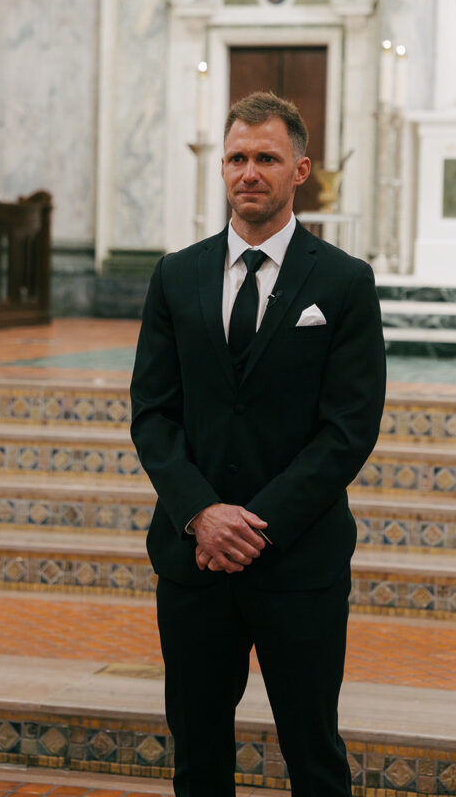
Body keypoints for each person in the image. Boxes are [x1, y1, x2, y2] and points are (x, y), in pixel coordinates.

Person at [130, 91, 386, 797]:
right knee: (198, 756)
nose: (250, 172)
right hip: (194, 558)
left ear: (299, 170)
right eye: (237, 157)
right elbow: (152, 413)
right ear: (221, 167)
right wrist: (201, 513)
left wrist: (256, 526)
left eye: (266, 158)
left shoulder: (342, 281)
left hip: (298, 561)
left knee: (313, 754)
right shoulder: (175, 276)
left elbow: (349, 428)